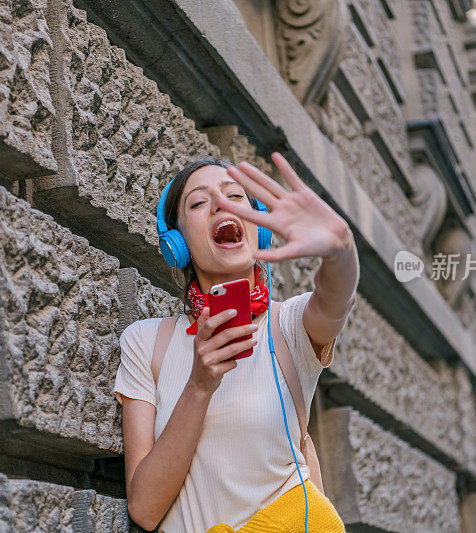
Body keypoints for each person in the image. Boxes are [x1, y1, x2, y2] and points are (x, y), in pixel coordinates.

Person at [113, 152, 359, 532]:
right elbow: (144, 509)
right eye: (198, 202)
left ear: (257, 228)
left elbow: (334, 300)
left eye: (235, 196)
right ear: (177, 244)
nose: (220, 204)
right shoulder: (147, 343)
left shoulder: (289, 325)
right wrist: (199, 385)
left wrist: (342, 250)